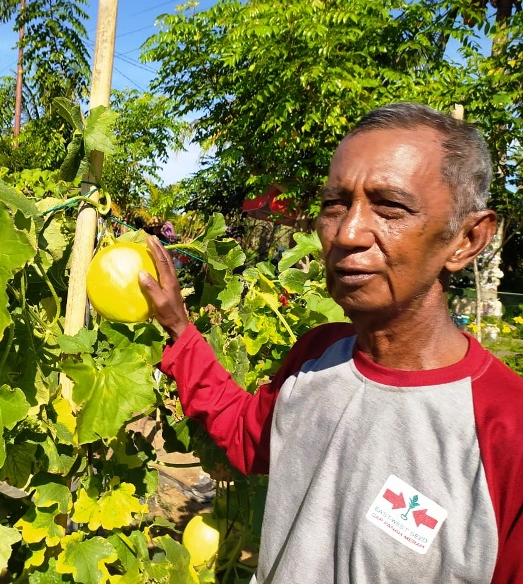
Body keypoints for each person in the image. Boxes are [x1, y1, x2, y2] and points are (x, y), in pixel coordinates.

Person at [138, 102, 523, 584]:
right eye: (334, 205)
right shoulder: (315, 356)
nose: (347, 232)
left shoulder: (508, 432)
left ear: (466, 239)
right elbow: (246, 437)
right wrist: (179, 327)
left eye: (390, 207)